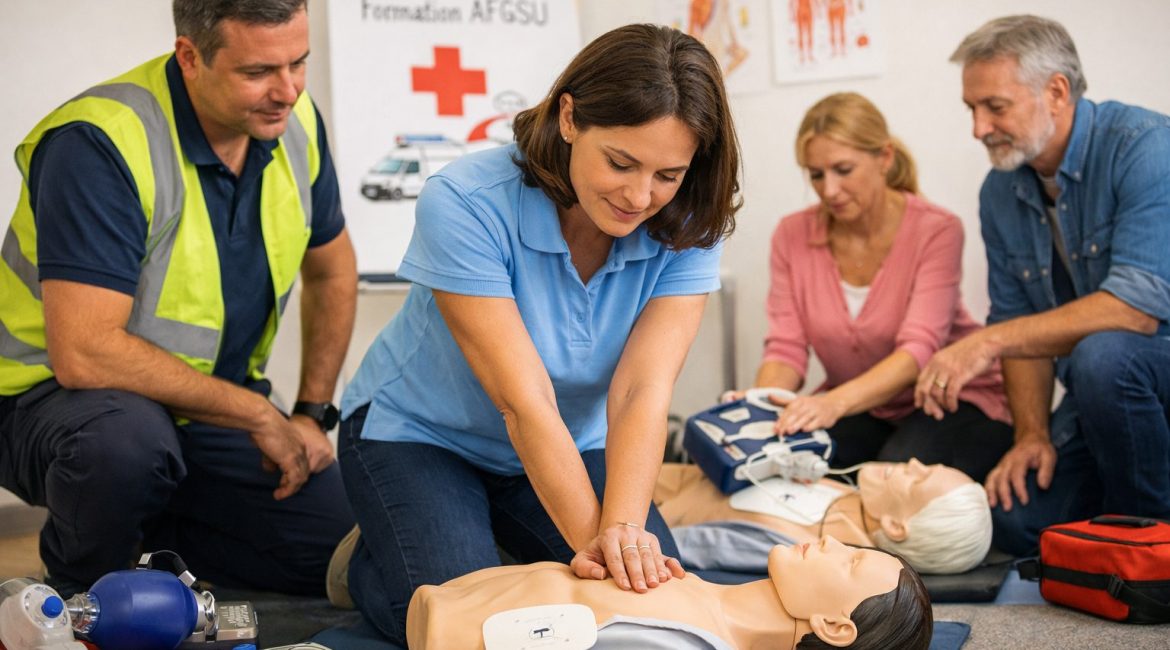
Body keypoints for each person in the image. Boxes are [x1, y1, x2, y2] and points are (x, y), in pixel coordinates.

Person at [335, 24, 741, 645]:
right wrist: (597, 559)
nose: (639, 196)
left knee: (653, 600)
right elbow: (522, 401)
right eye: (621, 162)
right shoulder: (465, 200)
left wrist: (624, 535)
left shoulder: (686, 223)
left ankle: (488, 545)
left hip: (572, 440)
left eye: (668, 174)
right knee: (473, 627)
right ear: (569, 118)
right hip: (421, 434)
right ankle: (376, 560)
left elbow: (641, 391)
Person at [0, 0, 356, 596]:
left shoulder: (293, 123)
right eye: (257, 72)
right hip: (55, 406)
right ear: (189, 57)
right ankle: (77, 602)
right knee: (125, 448)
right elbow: (85, 355)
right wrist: (257, 413)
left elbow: (334, 271)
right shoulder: (99, 142)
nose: (288, 91)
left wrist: (312, 414)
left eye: (299, 63)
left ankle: (151, 537)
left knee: (341, 543)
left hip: (201, 414)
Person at [917, 15, 1170, 556]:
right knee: (1013, 520)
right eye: (972, 109)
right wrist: (1031, 434)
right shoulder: (999, 192)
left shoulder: (1146, 147)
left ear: (1056, 92)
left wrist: (985, 343)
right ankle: (1115, 506)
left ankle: (1148, 546)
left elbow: (1137, 310)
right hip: (1099, 395)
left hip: (1140, 371)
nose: (978, 128)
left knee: (1102, 357)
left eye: (995, 107)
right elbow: (1015, 325)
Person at [741, 92, 1012, 482]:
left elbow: (918, 350)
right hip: (866, 407)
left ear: (884, 158)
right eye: (816, 174)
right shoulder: (791, 235)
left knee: (891, 478)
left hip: (954, 401)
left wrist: (831, 404)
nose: (829, 189)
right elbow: (786, 347)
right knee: (790, 464)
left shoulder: (937, 230)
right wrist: (758, 405)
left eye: (843, 169)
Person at [405, 535, 932, 649]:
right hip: (453, 599)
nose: (830, 543)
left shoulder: (686, 643)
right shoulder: (708, 596)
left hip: (440, 626)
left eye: (851, 560)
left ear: (834, 627)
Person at [655, 459, 991, 574]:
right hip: (668, 476)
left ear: (895, 526)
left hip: (640, 516)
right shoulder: (850, 496)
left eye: (918, 478)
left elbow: (678, 548)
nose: (913, 462)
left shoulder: (801, 548)